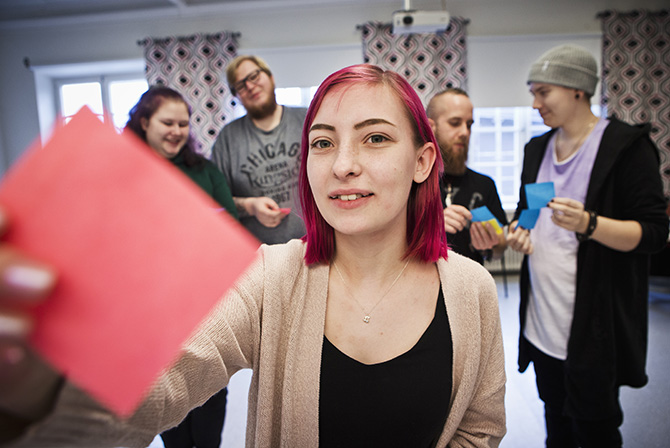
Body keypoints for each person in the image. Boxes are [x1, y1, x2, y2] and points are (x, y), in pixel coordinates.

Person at [0, 64, 506, 448]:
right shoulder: (272, 277)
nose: (344, 165)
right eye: (323, 143)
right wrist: (44, 387)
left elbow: (481, 427)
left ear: (422, 161)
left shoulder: (470, 289)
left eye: (375, 138)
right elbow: (166, 383)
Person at [506, 44, 669, 448]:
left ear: (577, 90)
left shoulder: (626, 149)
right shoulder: (536, 149)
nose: (535, 103)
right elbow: (527, 212)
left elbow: (654, 233)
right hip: (542, 318)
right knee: (556, 425)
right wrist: (518, 233)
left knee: (594, 429)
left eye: (543, 92)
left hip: (595, 326)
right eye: (533, 92)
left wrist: (590, 224)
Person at [124, 85, 235, 448]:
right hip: (148, 313)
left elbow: (230, 228)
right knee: (168, 412)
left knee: (208, 406)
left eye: (183, 123)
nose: (177, 130)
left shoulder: (203, 170)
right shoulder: (122, 172)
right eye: (167, 122)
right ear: (144, 122)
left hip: (204, 308)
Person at [210, 55, 306, 245]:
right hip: (256, 257)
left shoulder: (307, 119)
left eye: (254, 76)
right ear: (236, 96)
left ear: (270, 77)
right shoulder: (227, 139)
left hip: (316, 246)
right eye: (240, 85)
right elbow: (214, 199)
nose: (250, 87)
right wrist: (250, 206)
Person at [426, 88, 508, 264]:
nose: (464, 132)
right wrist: (431, 227)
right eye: (455, 123)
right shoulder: (413, 183)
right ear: (431, 127)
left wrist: (494, 242)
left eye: (469, 125)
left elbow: (499, 249)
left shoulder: (484, 184)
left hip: (471, 286)